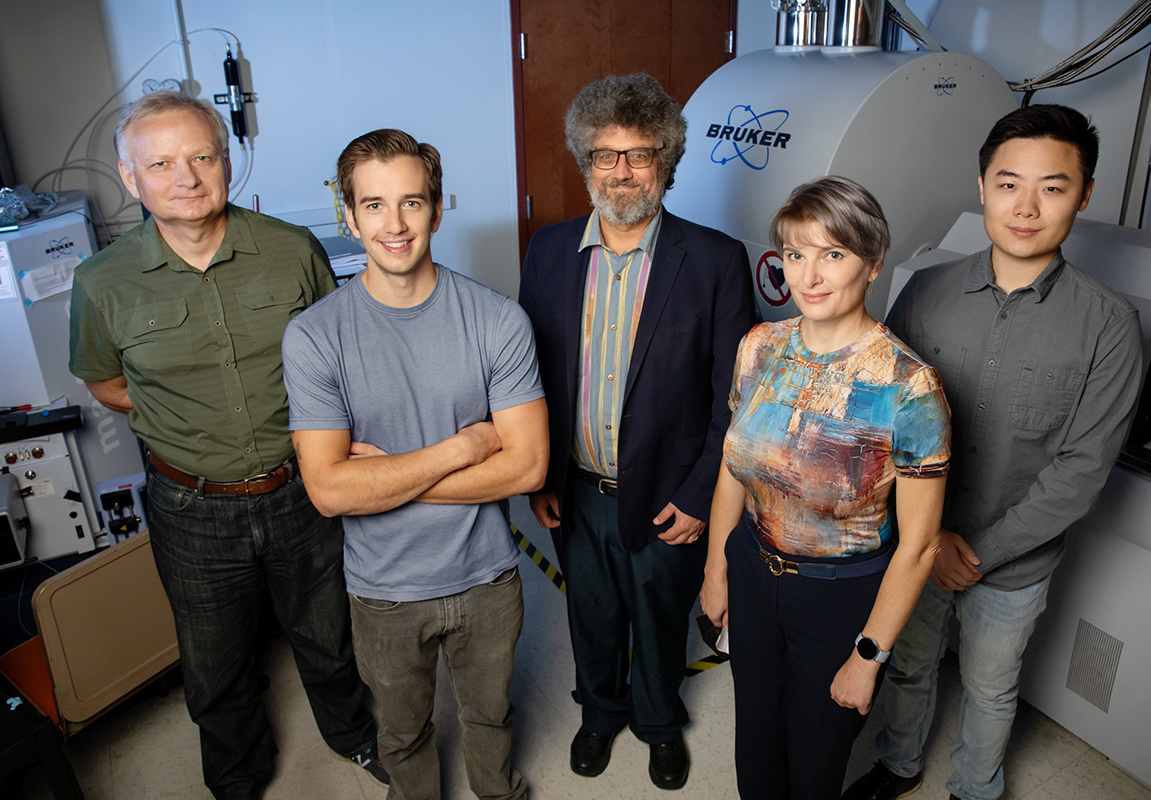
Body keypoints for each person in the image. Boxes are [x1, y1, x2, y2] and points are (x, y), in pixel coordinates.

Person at [67, 91, 382, 800]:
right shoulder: (102, 283)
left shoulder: (289, 250)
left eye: (202, 156)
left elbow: (335, 356)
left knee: (328, 632)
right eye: (161, 163)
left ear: (228, 160)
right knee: (214, 659)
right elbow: (105, 382)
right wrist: (183, 419)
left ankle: (354, 736)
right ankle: (237, 772)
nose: (186, 176)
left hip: (303, 486)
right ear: (130, 177)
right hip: (191, 506)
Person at [843, 105, 1144, 800]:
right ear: (981, 186)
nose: (1027, 207)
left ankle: (974, 788)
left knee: (989, 685)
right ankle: (899, 761)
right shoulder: (926, 290)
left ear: (1085, 195)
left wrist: (971, 549)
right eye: (1009, 184)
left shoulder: (1109, 326)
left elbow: (1081, 472)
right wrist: (929, 537)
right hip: (919, 540)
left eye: (1054, 187)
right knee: (912, 662)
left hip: (1014, 562)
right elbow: (881, 414)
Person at [282, 128, 547, 800]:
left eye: (411, 203)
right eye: (373, 205)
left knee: (492, 716)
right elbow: (329, 492)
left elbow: (526, 470)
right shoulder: (314, 336)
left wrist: (384, 480)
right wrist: (460, 448)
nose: (394, 225)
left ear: (436, 207)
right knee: (401, 733)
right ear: (349, 215)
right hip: (384, 591)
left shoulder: (497, 320)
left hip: (486, 577)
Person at [518, 72, 756, 790]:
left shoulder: (715, 261)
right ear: (584, 161)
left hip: (667, 493)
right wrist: (540, 476)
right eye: (605, 155)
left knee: (657, 620)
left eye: (640, 154)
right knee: (589, 613)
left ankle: (657, 724)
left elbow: (733, 401)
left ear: (667, 162)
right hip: (576, 489)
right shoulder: (549, 250)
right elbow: (528, 377)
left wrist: (698, 497)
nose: (621, 172)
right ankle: (599, 713)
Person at [700, 176, 950, 799]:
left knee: (814, 767)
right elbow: (734, 465)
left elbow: (919, 546)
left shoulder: (909, 387)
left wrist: (869, 656)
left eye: (833, 254)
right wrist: (715, 570)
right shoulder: (761, 347)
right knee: (755, 746)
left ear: (872, 261)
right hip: (754, 571)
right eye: (795, 254)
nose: (809, 275)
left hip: (840, 597)